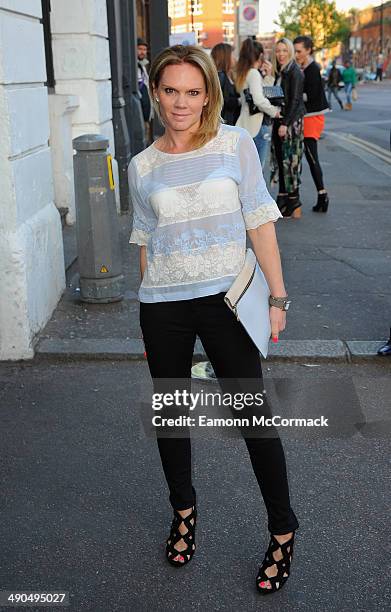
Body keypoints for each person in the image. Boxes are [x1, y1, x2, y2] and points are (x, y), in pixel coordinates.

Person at [128, 44, 299, 594]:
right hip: (163, 306)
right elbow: (145, 238)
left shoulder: (234, 145)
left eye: (193, 92)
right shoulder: (142, 165)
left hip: (227, 301)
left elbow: (260, 222)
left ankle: (282, 529)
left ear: (209, 95)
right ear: (156, 93)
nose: (182, 102)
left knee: (254, 418)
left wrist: (277, 297)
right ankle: (183, 511)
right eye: (171, 90)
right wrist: (146, 299)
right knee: (173, 416)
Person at [294, 35, 330, 213]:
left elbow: (312, 95)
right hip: (306, 116)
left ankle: (323, 195)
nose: (296, 54)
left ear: (308, 50)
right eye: (295, 50)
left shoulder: (312, 69)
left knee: (311, 156)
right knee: (308, 156)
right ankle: (322, 195)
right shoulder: (304, 67)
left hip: (312, 117)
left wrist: (293, 97)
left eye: (299, 51)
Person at [270, 38, 306, 218]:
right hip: (281, 120)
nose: (281, 54)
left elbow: (295, 100)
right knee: (281, 160)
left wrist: (285, 124)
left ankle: (294, 201)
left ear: (290, 52)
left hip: (291, 123)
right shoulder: (281, 72)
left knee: (291, 161)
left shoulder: (295, 72)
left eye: (284, 50)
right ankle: (284, 198)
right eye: (278, 51)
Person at [235, 38, 281, 169]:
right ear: (261, 55)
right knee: (257, 170)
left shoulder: (245, 73)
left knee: (248, 169)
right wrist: (275, 112)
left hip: (247, 124)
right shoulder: (254, 73)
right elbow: (259, 100)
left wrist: (269, 76)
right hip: (258, 126)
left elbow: (259, 93)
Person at [211, 42, 241, 126]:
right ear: (225, 57)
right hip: (224, 124)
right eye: (233, 55)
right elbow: (223, 101)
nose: (235, 58)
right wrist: (240, 101)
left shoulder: (228, 75)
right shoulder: (220, 76)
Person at [137, 38, 153, 143]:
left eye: (144, 49)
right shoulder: (134, 66)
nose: (143, 52)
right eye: (140, 49)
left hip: (145, 113)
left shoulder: (142, 66)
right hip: (139, 112)